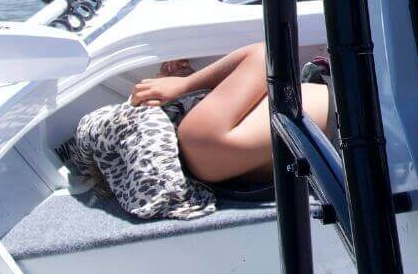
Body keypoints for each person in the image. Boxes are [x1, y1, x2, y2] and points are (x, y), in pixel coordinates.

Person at [131, 43, 334, 183]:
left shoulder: (204, 164)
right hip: (349, 115)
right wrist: (184, 85)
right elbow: (270, 53)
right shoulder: (195, 136)